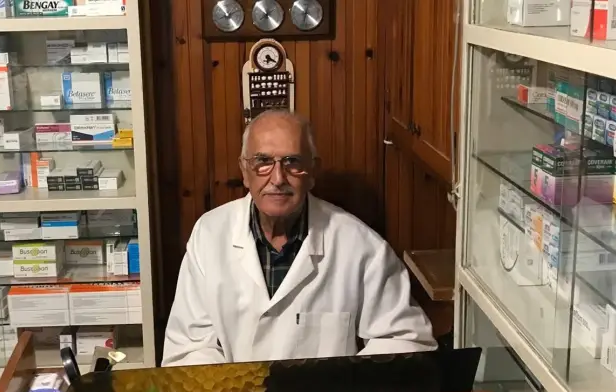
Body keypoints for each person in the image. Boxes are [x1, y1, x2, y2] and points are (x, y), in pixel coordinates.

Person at [162, 110, 436, 366]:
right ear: (245, 172)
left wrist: (347, 388)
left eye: (292, 162)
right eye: (263, 162)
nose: (278, 178)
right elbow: (189, 348)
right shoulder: (209, 235)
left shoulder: (361, 246)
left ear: (313, 171)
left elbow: (407, 342)